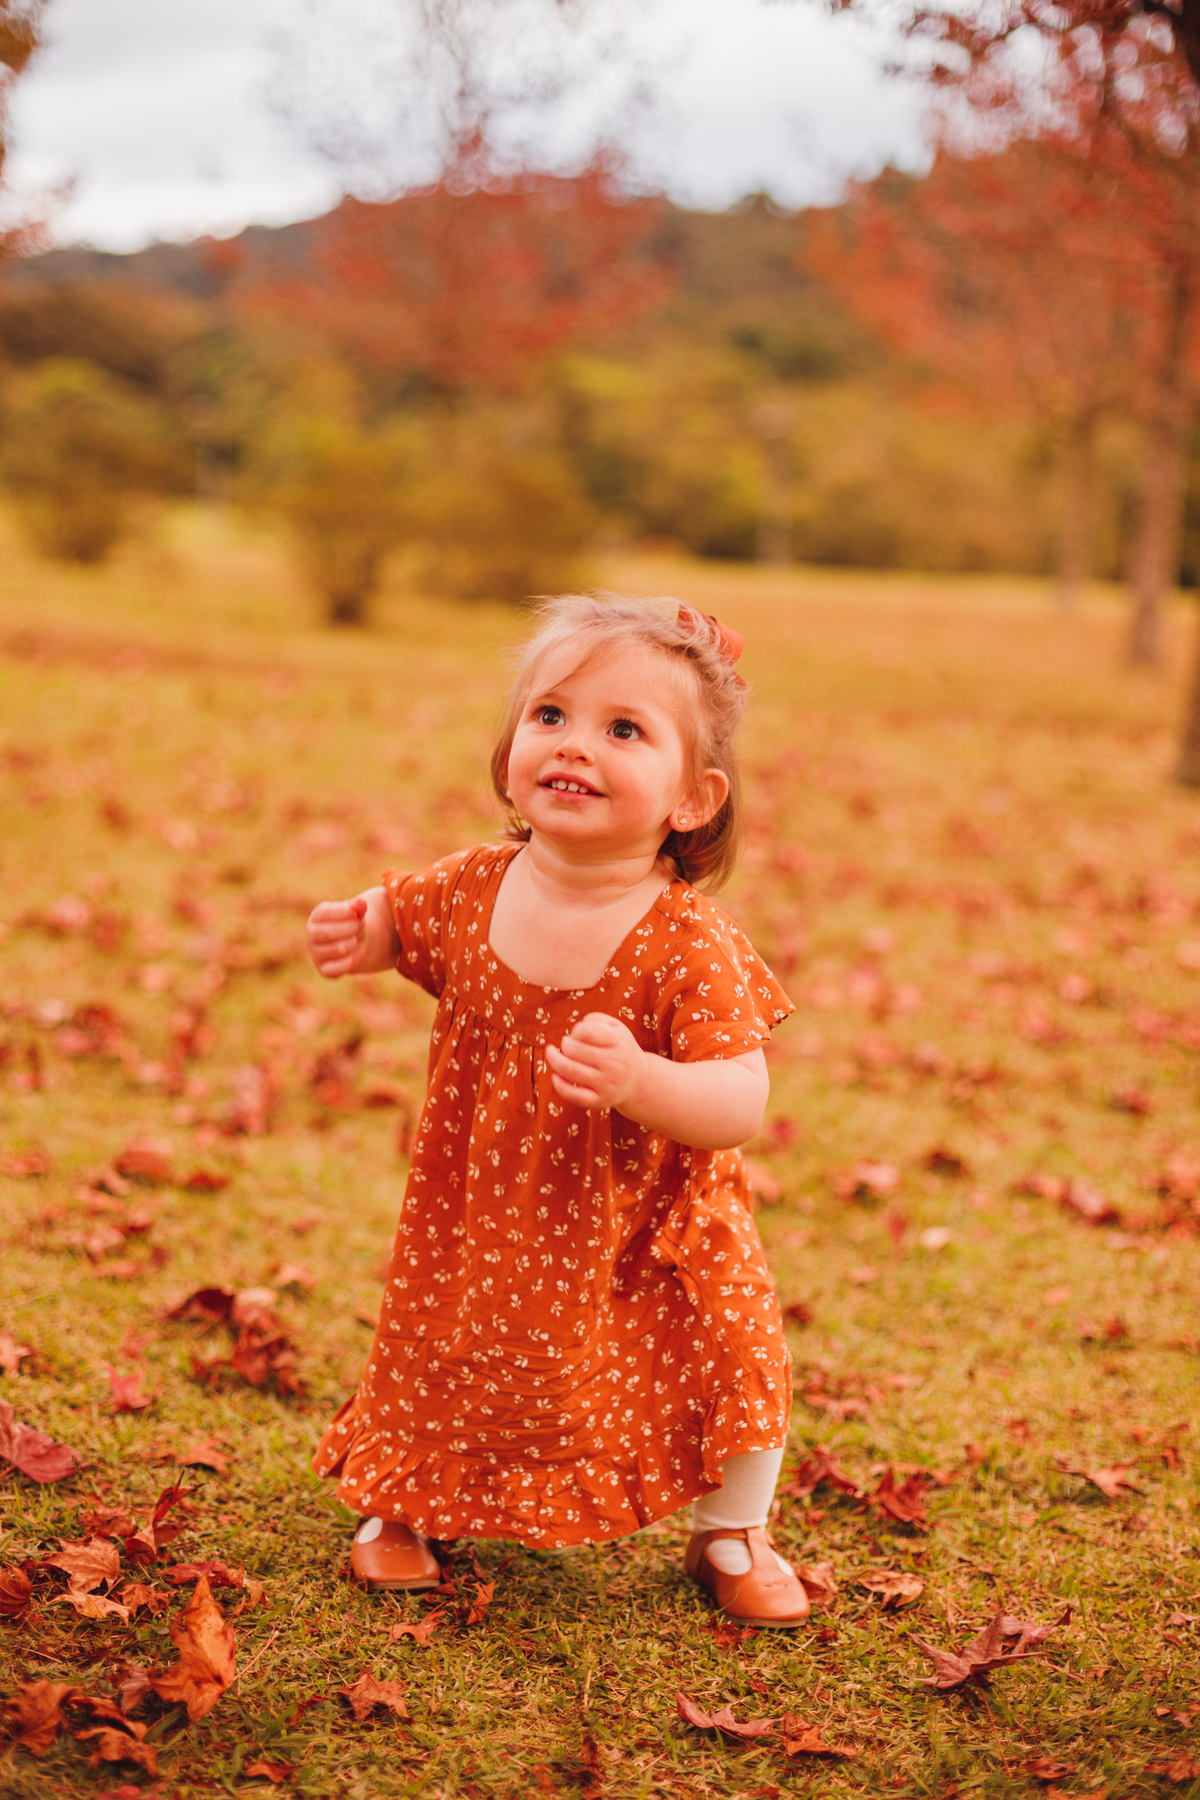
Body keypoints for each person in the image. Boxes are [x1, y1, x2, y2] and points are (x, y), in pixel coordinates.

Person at [305, 594, 808, 1627]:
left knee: (733, 1349)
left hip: (650, 1224)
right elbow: (406, 920)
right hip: (485, 1210)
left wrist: (641, 1083)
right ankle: (401, 1503)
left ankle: (734, 1526)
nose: (576, 746)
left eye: (624, 729)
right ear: (510, 749)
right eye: (551, 716)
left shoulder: (687, 941)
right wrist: (365, 934)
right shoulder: (477, 884)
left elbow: (739, 1099)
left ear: (694, 798)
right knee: (443, 1349)